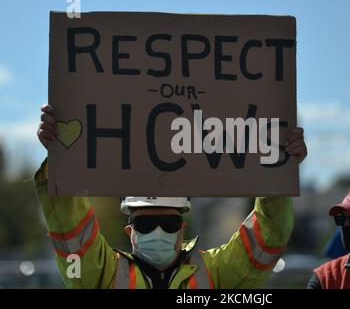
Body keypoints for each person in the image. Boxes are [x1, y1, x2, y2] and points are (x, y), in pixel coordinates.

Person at [36, 104, 308, 289]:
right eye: (145, 224)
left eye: (167, 224)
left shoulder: (215, 272)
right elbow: (69, 230)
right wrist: (59, 157)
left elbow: (269, 234)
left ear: (182, 228)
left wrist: (278, 167)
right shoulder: (102, 272)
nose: (157, 231)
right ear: (129, 230)